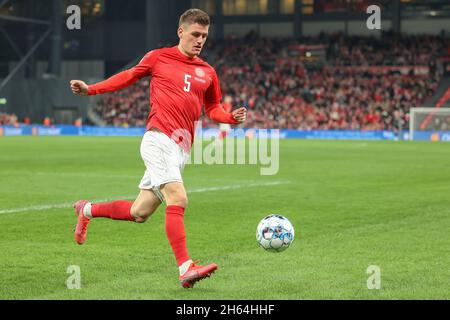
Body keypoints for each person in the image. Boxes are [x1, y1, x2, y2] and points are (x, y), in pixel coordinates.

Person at [69, 8, 247, 289]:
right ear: (181, 32)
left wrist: (230, 118)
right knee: (178, 198)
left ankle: (87, 210)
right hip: (158, 138)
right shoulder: (158, 57)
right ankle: (186, 268)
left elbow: (212, 108)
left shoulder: (208, 72)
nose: (200, 40)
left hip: (181, 149)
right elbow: (127, 76)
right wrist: (91, 89)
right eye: (195, 34)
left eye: (204, 36)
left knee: (140, 212)